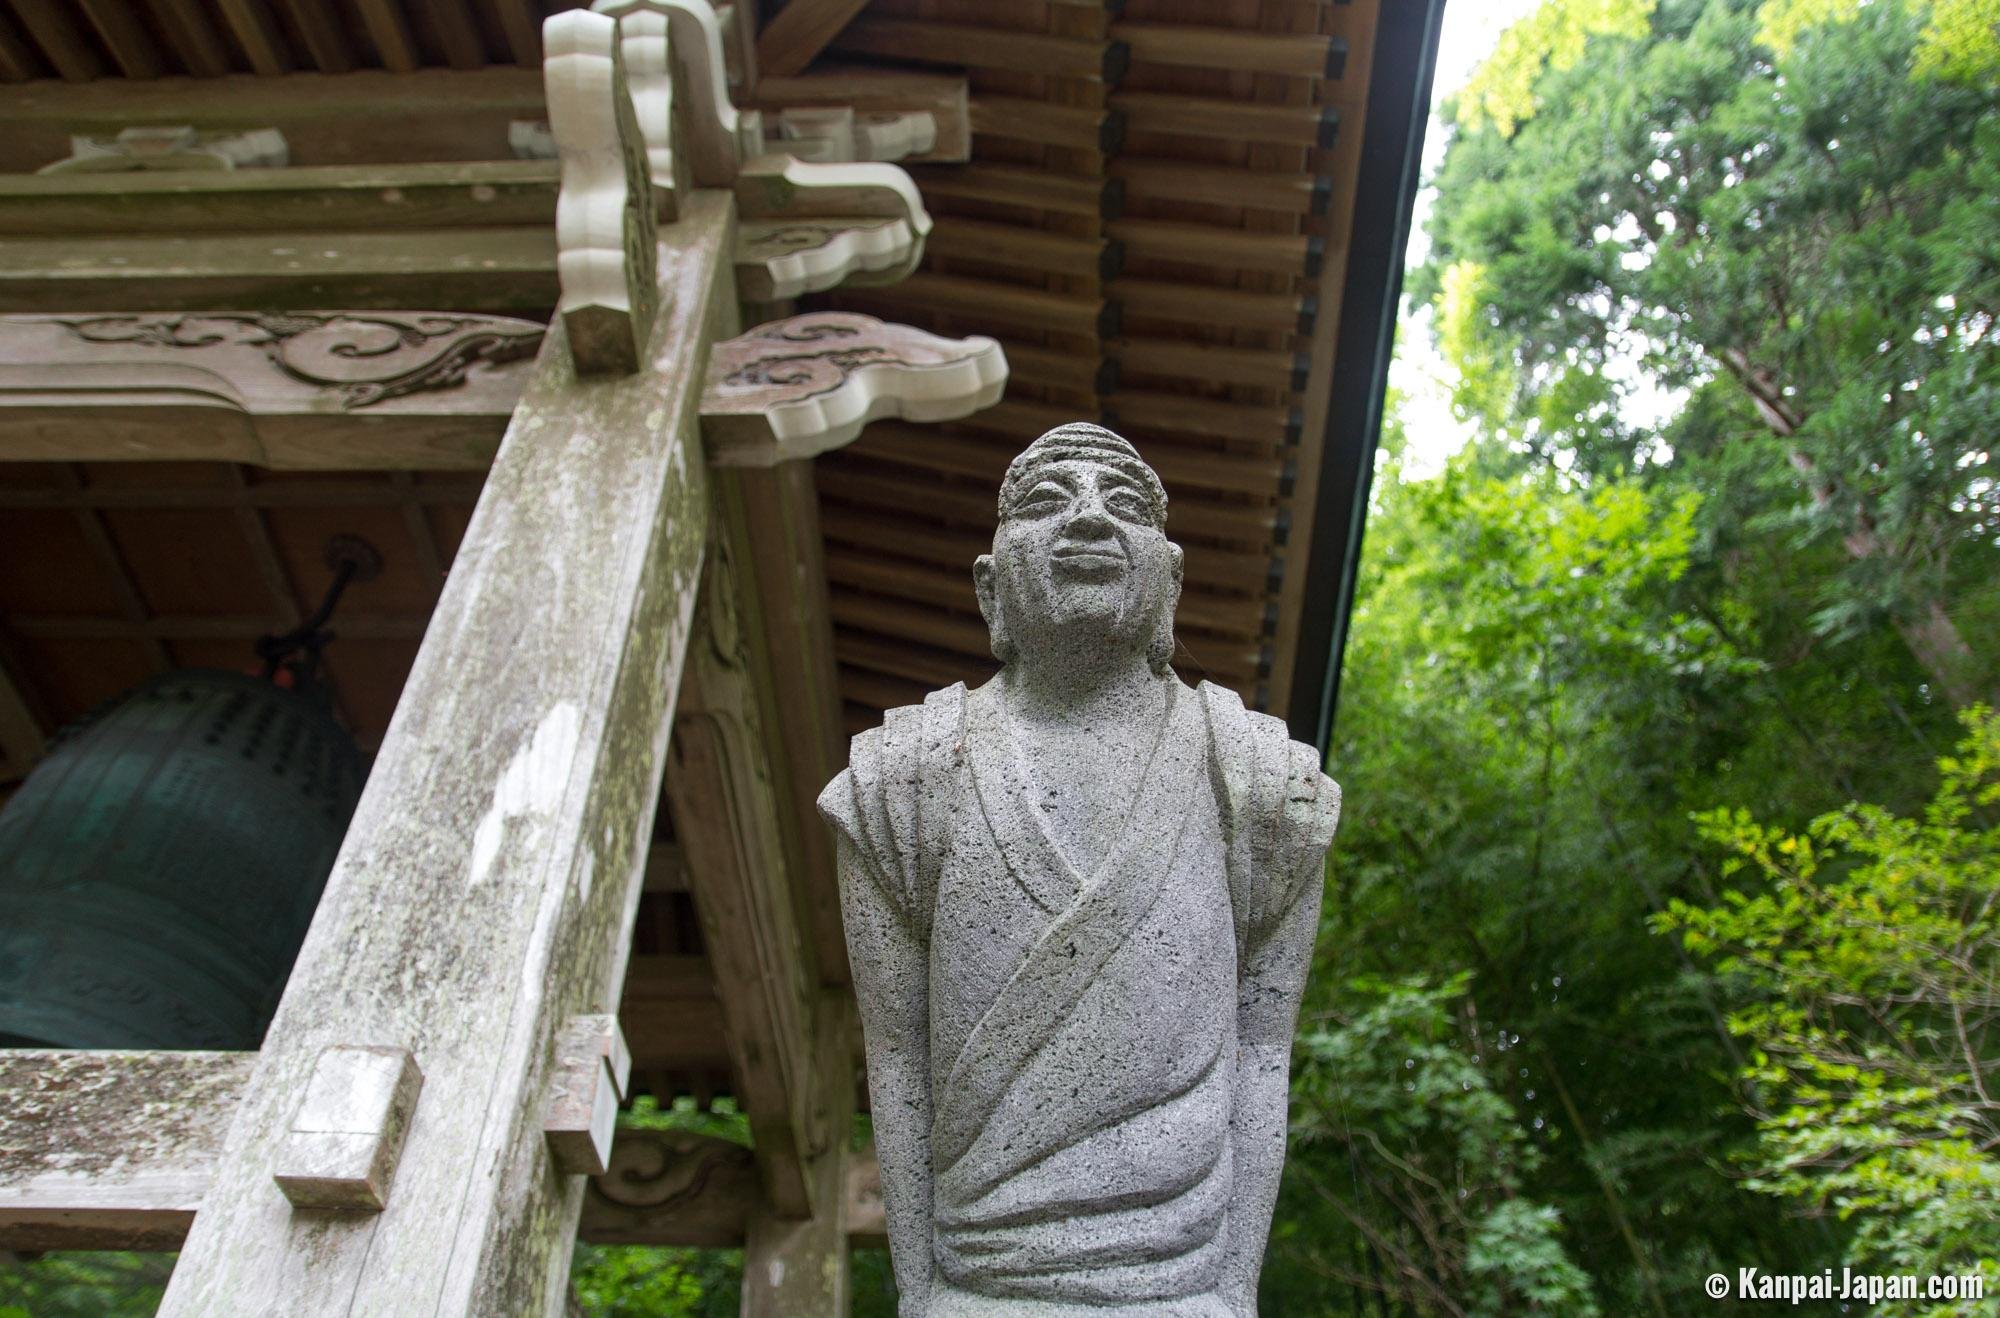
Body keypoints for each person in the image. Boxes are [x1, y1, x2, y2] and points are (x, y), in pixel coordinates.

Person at [820, 423, 1340, 1316]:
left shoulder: (1261, 782)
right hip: (978, 1285)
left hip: (1183, 1288)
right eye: (1045, 502)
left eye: (1124, 504)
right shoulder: (903, 779)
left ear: (1170, 578)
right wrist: (921, 1292)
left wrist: (1236, 1292)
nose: (1090, 518)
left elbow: (1262, 1052)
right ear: (991, 588)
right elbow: (897, 1056)